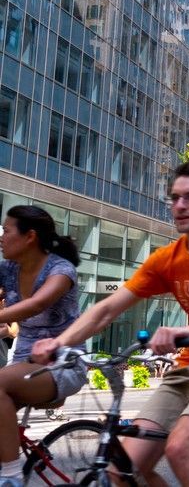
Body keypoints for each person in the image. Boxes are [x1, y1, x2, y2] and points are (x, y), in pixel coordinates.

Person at [32, 161, 189, 486]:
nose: (179, 206)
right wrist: (59, 343)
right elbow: (107, 309)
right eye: (174, 198)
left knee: (181, 448)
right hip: (188, 368)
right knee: (123, 469)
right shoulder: (166, 259)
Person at [0, 206, 87, 487]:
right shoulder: (8, 269)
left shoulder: (61, 270)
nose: (1, 236)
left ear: (30, 237)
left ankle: (11, 475)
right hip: (25, 362)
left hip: (61, 363)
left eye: (7, 230)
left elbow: (36, 304)